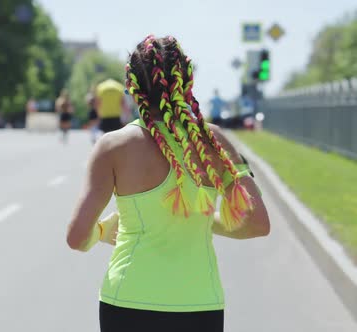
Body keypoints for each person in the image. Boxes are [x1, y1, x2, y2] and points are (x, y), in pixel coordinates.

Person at [66, 35, 270, 332]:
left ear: (132, 87)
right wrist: (203, 218)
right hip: (200, 305)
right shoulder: (214, 141)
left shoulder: (113, 146)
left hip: (126, 303)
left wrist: (100, 231)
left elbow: (76, 238)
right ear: (187, 83)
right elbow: (257, 223)